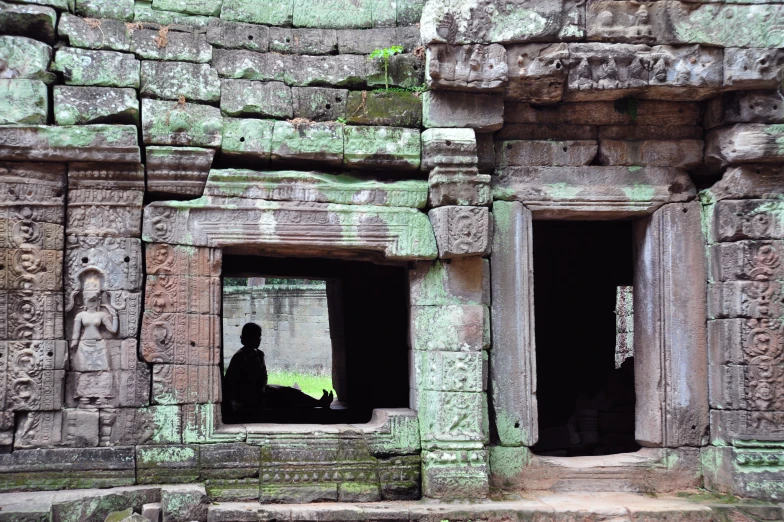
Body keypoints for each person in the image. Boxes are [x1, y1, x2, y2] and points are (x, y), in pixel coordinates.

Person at [223, 323, 333, 421]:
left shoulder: (258, 354)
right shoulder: (240, 357)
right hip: (250, 397)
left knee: (287, 391)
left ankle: (318, 402)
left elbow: (263, 376)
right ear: (248, 338)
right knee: (286, 395)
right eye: (256, 337)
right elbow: (231, 382)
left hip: (259, 392)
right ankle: (318, 403)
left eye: (259, 336)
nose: (259, 339)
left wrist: (263, 387)